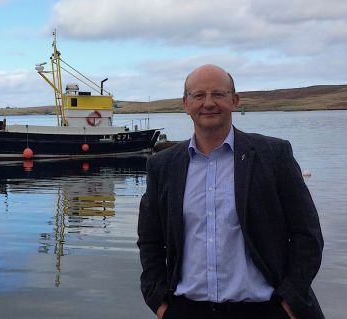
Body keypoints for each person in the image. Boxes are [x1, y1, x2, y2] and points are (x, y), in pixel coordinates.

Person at [137, 64, 324, 319]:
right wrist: (160, 304)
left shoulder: (274, 155)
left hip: (265, 309)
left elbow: (308, 235)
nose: (209, 103)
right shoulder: (163, 165)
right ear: (186, 104)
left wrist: (288, 304)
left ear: (234, 101)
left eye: (218, 94)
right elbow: (150, 241)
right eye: (199, 95)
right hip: (187, 310)